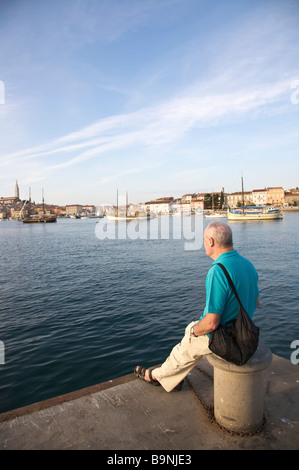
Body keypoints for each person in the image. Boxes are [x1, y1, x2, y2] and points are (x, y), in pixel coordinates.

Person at [134, 221, 260, 392]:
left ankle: (156, 376)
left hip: (227, 337)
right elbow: (256, 301)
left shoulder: (218, 271)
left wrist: (194, 331)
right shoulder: (247, 264)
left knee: (190, 337)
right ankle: (171, 377)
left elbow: (211, 324)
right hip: (244, 333)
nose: (203, 244)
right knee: (190, 334)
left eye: (203, 240)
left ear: (211, 241)